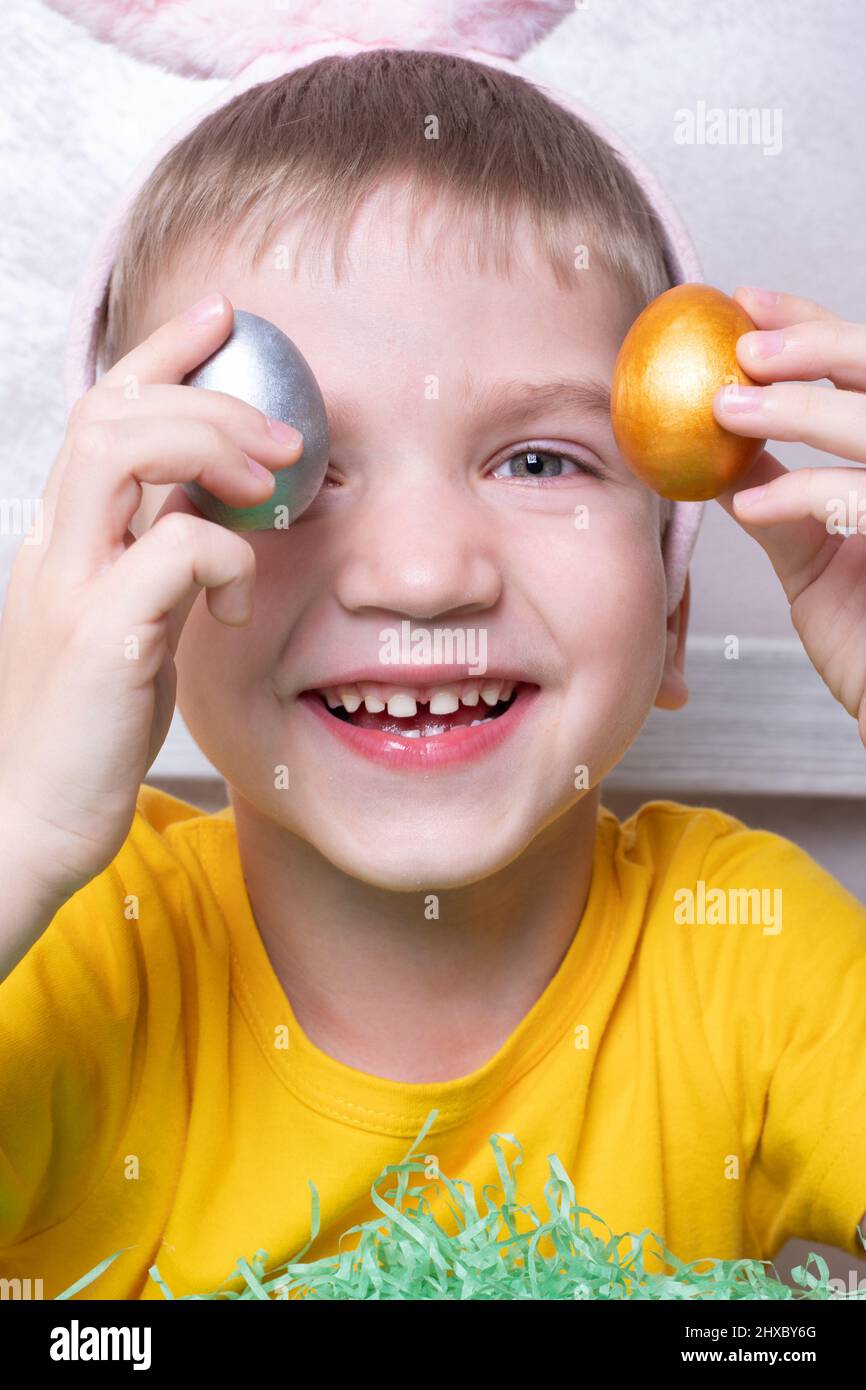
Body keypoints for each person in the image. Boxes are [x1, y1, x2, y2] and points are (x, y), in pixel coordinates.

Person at [1, 21, 865, 1300]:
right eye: (283, 462)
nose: (420, 575)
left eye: (537, 461)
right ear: (133, 602)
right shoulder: (78, 948)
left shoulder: (750, 956)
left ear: (674, 611)